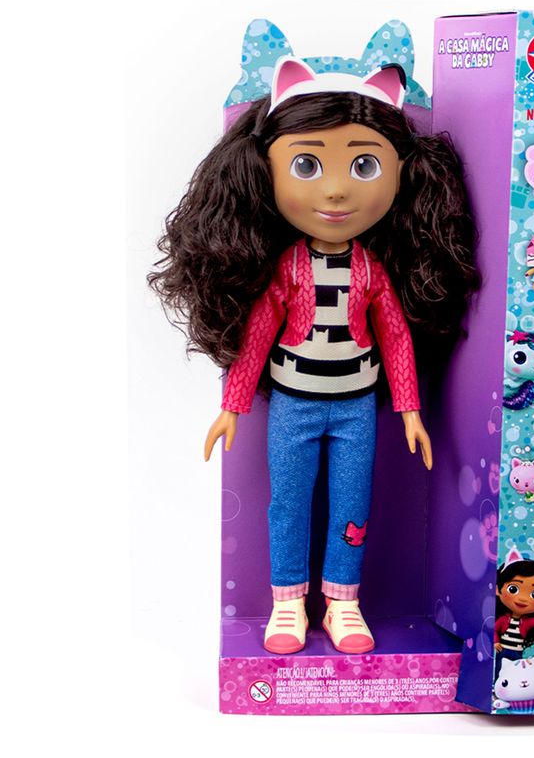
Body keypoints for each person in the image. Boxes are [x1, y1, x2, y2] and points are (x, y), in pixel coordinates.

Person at [149, 56, 479, 655]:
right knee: (289, 505)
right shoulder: (289, 267)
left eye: (364, 165)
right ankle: (288, 601)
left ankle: (343, 602)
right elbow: (258, 335)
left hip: (355, 405)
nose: (335, 189)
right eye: (307, 165)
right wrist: (232, 405)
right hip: (293, 402)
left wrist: (409, 409)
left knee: (352, 504)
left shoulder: (371, 270)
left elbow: (395, 337)